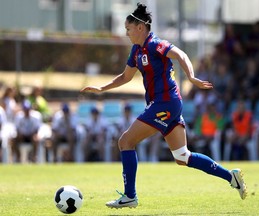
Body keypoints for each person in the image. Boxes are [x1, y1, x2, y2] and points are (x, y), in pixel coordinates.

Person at [80, 3, 247, 209]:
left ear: (140, 27)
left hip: (165, 103)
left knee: (125, 141)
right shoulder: (136, 50)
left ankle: (130, 196)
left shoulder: (155, 44)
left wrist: (191, 77)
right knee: (182, 156)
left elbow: (181, 55)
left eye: (128, 29)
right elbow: (125, 76)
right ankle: (232, 177)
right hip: (167, 105)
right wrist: (101, 89)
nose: (127, 33)